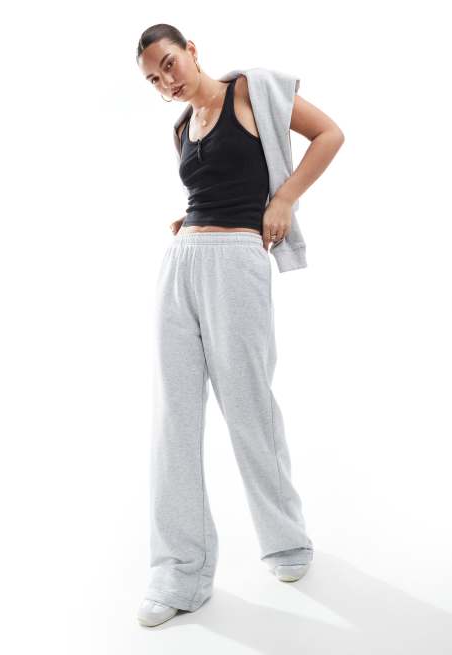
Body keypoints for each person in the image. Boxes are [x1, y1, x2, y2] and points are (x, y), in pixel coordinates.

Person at [135, 23, 345, 627]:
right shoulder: (181, 128)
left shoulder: (251, 91)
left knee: (248, 404)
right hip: (181, 264)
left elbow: (329, 134)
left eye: (169, 64)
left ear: (191, 50)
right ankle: (179, 572)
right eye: (153, 80)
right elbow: (213, 188)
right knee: (174, 416)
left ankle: (286, 541)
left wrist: (284, 200)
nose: (166, 82)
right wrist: (189, 223)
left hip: (237, 262)